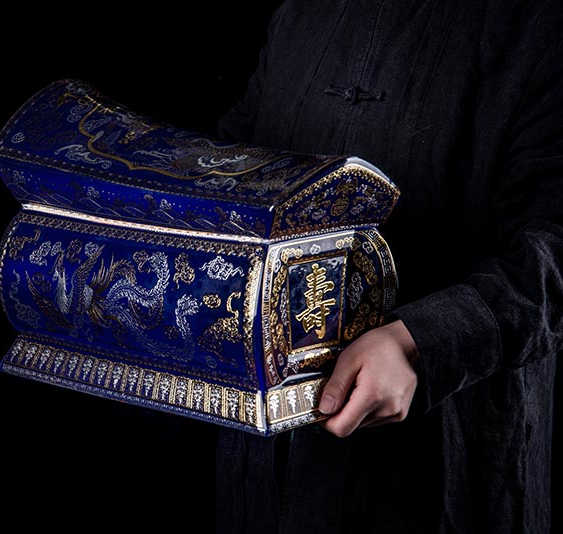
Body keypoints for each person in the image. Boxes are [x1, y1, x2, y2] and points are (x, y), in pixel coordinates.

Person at [213, 1, 562, 533]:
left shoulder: (538, 26)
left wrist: (417, 340)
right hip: (263, 469)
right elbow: (231, 168)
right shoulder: (299, 13)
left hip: (441, 466)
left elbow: (554, 245)